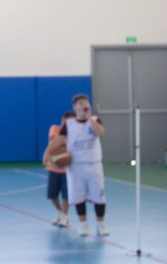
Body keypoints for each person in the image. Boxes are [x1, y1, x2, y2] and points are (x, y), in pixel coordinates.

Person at [48, 94, 109, 237]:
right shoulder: (68, 124)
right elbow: (58, 141)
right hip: (75, 166)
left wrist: (89, 118)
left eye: (86, 103)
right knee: (78, 197)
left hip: (94, 164)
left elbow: (100, 132)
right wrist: (49, 154)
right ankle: (83, 225)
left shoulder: (95, 120)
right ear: (75, 107)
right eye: (80, 103)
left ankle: (100, 224)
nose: (83, 106)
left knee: (99, 197)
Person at [42, 111, 75, 228]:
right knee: (52, 195)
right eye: (64, 122)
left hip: (68, 169)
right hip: (53, 167)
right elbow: (52, 145)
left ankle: (65, 217)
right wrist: (46, 156)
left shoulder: (75, 134)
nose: (66, 124)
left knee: (66, 195)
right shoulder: (54, 129)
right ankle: (60, 212)